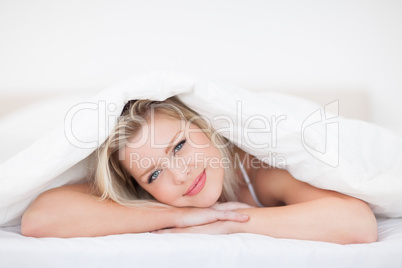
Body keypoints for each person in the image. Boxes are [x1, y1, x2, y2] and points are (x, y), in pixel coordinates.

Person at [21, 96, 378, 244]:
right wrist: (175, 218)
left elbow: (358, 222)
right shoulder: (147, 196)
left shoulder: (260, 171)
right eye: (153, 174)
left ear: (205, 128)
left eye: (179, 146)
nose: (180, 175)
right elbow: (39, 219)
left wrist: (221, 222)